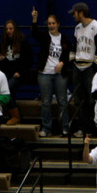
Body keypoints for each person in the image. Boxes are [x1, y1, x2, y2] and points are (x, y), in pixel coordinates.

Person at [30, 8, 73, 137]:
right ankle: (46, 128)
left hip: (60, 75)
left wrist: (62, 63)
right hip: (45, 74)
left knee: (62, 101)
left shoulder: (64, 39)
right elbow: (34, 33)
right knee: (46, 102)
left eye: (53, 23)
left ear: (58, 24)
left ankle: (65, 127)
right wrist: (34, 19)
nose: (51, 26)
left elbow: (69, 54)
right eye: (49, 23)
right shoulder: (44, 36)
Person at [68, 2, 97, 138]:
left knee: (92, 100)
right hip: (78, 67)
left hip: (90, 67)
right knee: (79, 101)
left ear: (81, 12)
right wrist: (72, 61)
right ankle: (83, 128)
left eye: (74, 13)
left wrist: (95, 67)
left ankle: (94, 128)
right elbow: (74, 46)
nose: (73, 16)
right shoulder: (77, 28)